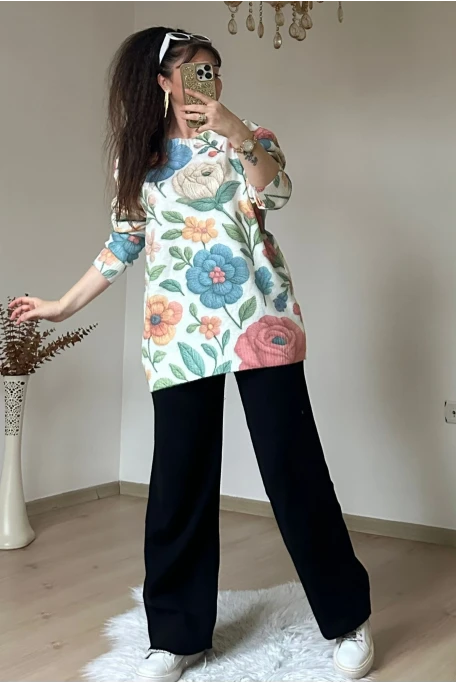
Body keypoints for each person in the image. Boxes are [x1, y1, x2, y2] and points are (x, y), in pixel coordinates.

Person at [10, 27, 374, 682]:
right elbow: (123, 242)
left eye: (215, 70)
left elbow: (277, 193)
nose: (210, 82)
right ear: (163, 82)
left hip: (260, 320)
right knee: (178, 481)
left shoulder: (250, 136)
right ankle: (178, 635)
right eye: (196, 71)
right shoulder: (140, 160)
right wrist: (63, 303)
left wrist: (236, 131)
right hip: (177, 333)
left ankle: (348, 618)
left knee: (294, 471)